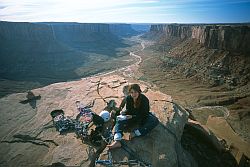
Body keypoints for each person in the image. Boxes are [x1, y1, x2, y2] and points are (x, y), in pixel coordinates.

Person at [107, 84, 159, 149]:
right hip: (132, 118)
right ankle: (117, 141)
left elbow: (144, 114)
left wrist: (132, 116)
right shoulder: (128, 98)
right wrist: (124, 113)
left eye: (135, 92)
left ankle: (136, 133)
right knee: (119, 119)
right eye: (131, 92)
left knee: (155, 121)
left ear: (139, 92)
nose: (133, 94)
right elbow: (129, 110)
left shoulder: (144, 99)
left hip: (142, 118)